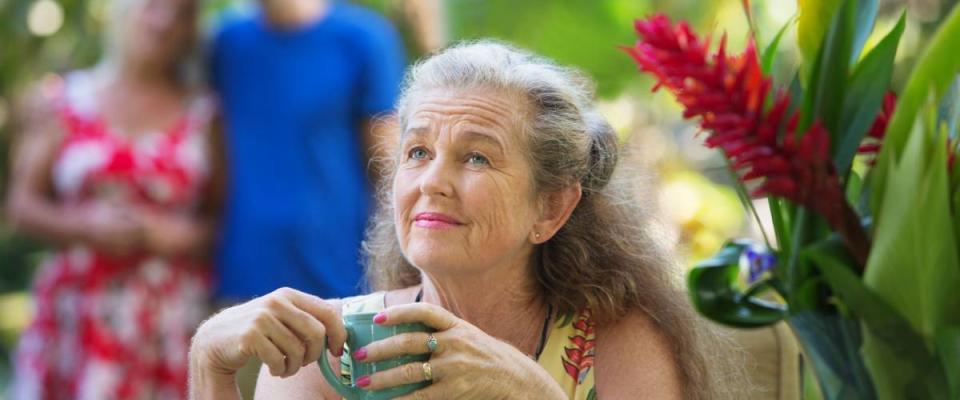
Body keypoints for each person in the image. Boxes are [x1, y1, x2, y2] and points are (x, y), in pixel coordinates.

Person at [189, 41, 737, 400]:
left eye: (476, 157)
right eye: (417, 153)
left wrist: (531, 391)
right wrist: (209, 365)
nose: (432, 182)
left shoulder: (613, 345)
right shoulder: (332, 356)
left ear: (551, 208)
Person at [5, 0, 222, 397]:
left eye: (182, 13)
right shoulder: (66, 100)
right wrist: (83, 226)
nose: (164, 21)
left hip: (166, 320)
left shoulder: (204, 113)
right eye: (155, 6)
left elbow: (220, 224)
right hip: (76, 313)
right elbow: (19, 205)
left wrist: (162, 234)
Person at [208, 0, 406, 302]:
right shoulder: (227, 43)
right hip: (245, 278)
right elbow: (216, 158)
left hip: (339, 278)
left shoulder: (363, 38)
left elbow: (388, 170)